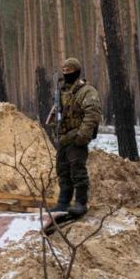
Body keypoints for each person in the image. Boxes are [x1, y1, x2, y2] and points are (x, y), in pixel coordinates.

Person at [49, 58, 102, 216]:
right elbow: (57, 114)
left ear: (77, 72)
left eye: (69, 71)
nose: (66, 74)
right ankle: (63, 202)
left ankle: (80, 203)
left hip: (76, 138)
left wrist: (82, 136)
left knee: (77, 170)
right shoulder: (63, 91)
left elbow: (92, 114)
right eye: (64, 71)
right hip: (64, 138)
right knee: (63, 170)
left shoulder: (86, 91)